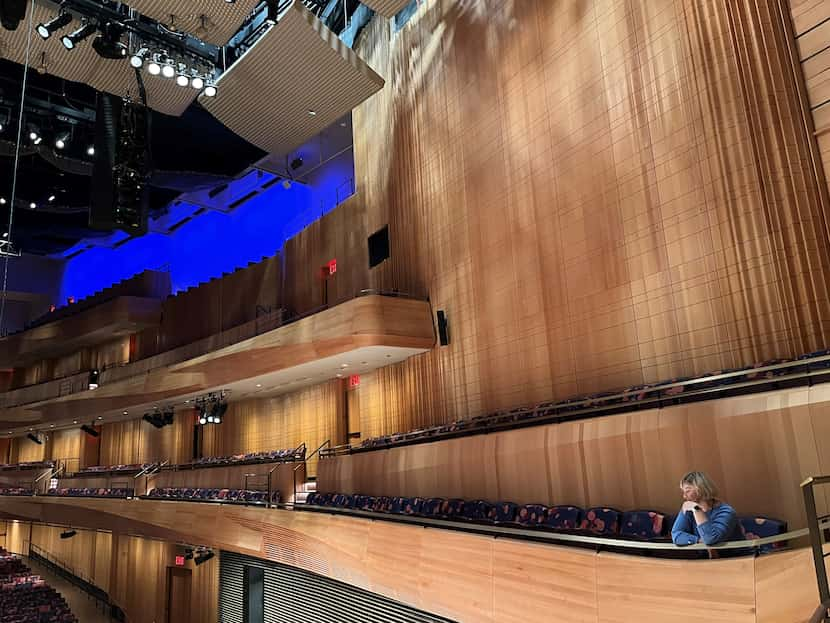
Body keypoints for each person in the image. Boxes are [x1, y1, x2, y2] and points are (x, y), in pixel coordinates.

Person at [671, 471, 742, 546]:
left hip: (738, 556)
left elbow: (710, 539)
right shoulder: (689, 508)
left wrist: (696, 509)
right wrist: (698, 540)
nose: (684, 496)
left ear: (701, 489)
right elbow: (676, 535)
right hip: (705, 556)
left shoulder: (727, 512)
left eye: (688, 491)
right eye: (683, 491)